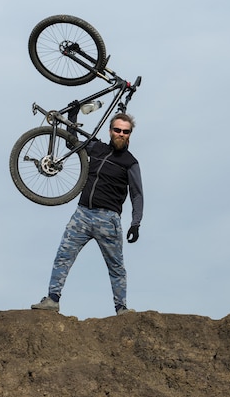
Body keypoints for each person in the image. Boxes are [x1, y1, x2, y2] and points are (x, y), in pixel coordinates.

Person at [31, 112, 144, 316]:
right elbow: (71, 143)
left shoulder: (130, 162)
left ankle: (122, 309)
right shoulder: (97, 148)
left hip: (108, 220)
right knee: (63, 256)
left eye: (125, 132)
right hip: (82, 214)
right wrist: (72, 117)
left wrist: (136, 223)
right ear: (110, 131)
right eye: (117, 130)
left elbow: (137, 195)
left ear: (130, 135)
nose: (121, 134)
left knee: (116, 267)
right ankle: (52, 299)